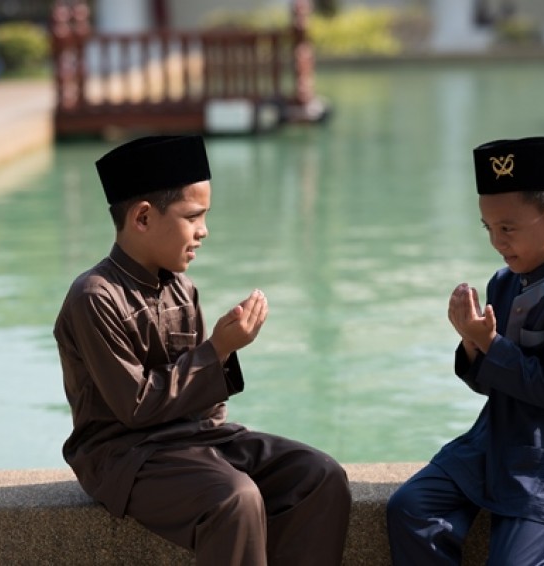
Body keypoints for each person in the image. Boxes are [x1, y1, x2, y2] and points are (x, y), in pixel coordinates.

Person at [53, 135, 351, 566]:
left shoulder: (182, 290)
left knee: (319, 476)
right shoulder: (94, 296)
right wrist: (219, 349)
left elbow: (207, 408)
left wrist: (221, 357)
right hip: (122, 456)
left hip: (192, 438)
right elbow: (134, 407)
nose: (204, 231)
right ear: (142, 218)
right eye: (194, 216)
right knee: (234, 498)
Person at [386, 136, 544, 565]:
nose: (497, 241)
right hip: (491, 442)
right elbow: (487, 384)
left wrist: (490, 342)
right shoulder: (504, 282)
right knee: (411, 509)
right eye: (489, 228)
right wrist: (471, 342)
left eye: (508, 228)